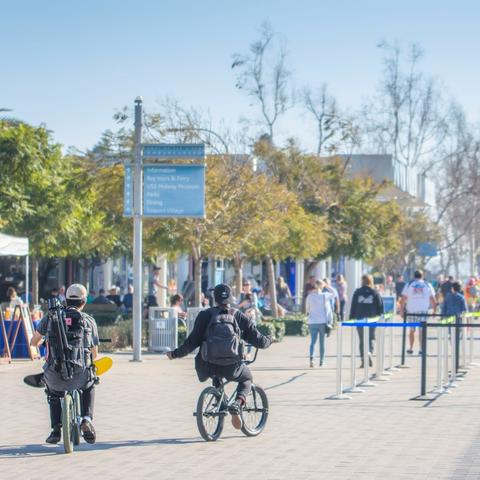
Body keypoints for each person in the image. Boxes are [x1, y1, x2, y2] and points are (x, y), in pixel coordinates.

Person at [166, 283, 272, 430]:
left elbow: (192, 342)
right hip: (231, 367)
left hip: (206, 366)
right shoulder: (237, 315)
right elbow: (258, 340)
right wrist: (269, 339)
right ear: (231, 298)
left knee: (215, 374)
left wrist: (174, 354)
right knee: (247, 378)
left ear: (214, 299)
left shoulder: (205, 315)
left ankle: (220, 401)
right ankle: (237, 403)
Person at [30, 284, 99, 445]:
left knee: (53, 392)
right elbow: (94, 354)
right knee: (90, 384)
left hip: (55, 374)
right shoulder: (88, 321)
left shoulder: (50, 316)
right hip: (80, 374)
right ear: (84, 301)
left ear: (65, 300)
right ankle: (87, 419)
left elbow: (33, 342)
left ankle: (55, 430)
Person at [349, 274, 384, 368]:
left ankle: (363, 359)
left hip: (359, 318)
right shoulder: (375, 292)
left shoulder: (357, 292)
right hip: (372, 318)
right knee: (371, 338)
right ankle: (369, 352)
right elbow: (380, 305)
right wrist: (381, 316)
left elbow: (353, 305)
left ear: (362, 281)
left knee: (362, 339)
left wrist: (351, 317)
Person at [400, 270, 437, 355]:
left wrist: (401, 310)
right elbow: (433, 299)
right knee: (421, 330)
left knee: (412, 330)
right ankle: (421, 349)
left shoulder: (409, 284)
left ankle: (411, 348)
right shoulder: (427, 285)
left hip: (411, 310)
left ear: (414, 276)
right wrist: (434, 311)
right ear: (422, 276)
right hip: (423, 310)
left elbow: (403, 299)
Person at [306, 280, 334, 368]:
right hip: (322, 322)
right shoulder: (324, 296)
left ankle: (311, 359)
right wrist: (327, 286)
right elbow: (334, 293)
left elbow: (307, 309)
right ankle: (322, 361)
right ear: (322, 286)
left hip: (312, 322)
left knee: (313, 342)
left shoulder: (309, 296)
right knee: (322, 343)